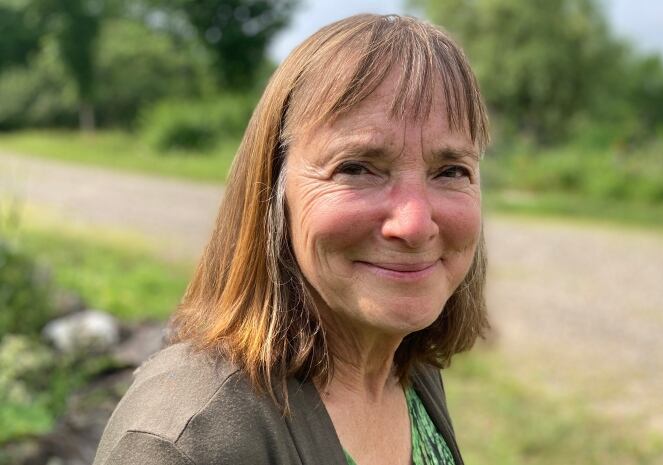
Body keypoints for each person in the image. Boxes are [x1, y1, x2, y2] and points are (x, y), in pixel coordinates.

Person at [93, 13, 489, 465]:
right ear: (274, 192)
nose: (415, 224)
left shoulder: (403, 365)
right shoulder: (186, 441)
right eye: (356, 168)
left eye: (450, 171)